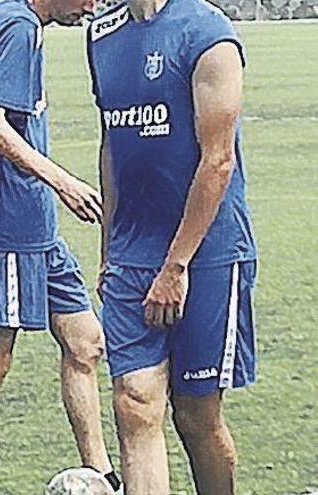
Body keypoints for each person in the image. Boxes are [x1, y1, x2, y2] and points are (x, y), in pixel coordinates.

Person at [87, 0, 258, 492]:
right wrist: (109, 250)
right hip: (131, 256)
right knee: (134, 401)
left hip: (206, 256)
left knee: (196, 416)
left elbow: (218, 161)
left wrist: (175, 266)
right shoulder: (101, 33)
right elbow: (110, 145)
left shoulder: (208, 33)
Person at [0, 1, 120, 493]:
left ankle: (102, 474)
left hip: (37, 227)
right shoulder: (16, 25)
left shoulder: (10, 17)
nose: (92, 6)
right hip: (6, 221)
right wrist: (61, 180)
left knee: (85, 343)